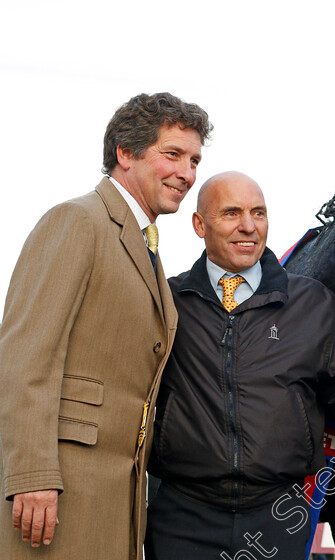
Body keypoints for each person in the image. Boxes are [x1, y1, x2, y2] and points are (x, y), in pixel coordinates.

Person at [144, 171, 335, 560]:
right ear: (199, 224)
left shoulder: (314, 304)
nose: (249, 226)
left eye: (259, 213)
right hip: (182, 517)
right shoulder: (168, 303)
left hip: (277, 518)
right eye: (231, 213)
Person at [0, 92, 212, 560]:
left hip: (120, 492)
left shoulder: (146, 245)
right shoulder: (77, 221)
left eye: (194, 159)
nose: (187, 173)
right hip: (58, 491)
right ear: (125, 153)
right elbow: (23, 358)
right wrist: (33, 476)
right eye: (172, 154)